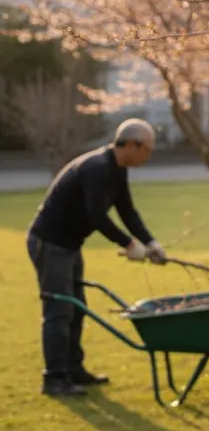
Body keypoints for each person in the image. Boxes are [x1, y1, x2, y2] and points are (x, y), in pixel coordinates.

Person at [26, 118, 168, 397]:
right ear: (130, 144)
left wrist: (150, 243)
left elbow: (126, 210)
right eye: (147, 149)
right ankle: (54, 379)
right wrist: (129, 245)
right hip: (50, 243)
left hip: (69, 245)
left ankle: (73, 369)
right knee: (59, 311)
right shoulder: (98, 169)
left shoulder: (117, 169)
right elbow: (97, 216)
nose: (148, 156)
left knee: (77, 307)